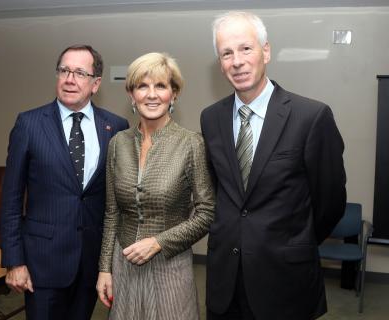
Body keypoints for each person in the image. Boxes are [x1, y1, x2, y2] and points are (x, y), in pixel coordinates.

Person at [200, 11, 346, 320]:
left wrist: (293, 243)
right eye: (227, 53)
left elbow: (330, 203)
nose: (236, 61)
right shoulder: (210, 118)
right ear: (220, 62)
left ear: (266, 51)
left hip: (285, 281)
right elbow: (221, 192)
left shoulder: (311, 117)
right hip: (225, 281)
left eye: (245, 48)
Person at [0, 44, 129, 320]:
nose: (70, 79)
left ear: (95, 84)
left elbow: (116, 199)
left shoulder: (116, 127)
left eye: (80, 73)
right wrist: (14, 261)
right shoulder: (29, 124)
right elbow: (10, 198)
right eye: (64, 70)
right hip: (42, 262)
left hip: (92, 262)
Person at [96, 52, 215, 320]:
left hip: (170, 266)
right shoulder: (118, 143)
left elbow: (207, 211)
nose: (152, 94)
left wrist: (159, 242)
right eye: (142, 86)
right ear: (131, 95)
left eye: (160, 86)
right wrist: (105, 269)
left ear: (174, 94)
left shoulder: (190, 143)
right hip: (124, 264)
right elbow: (112, 212)